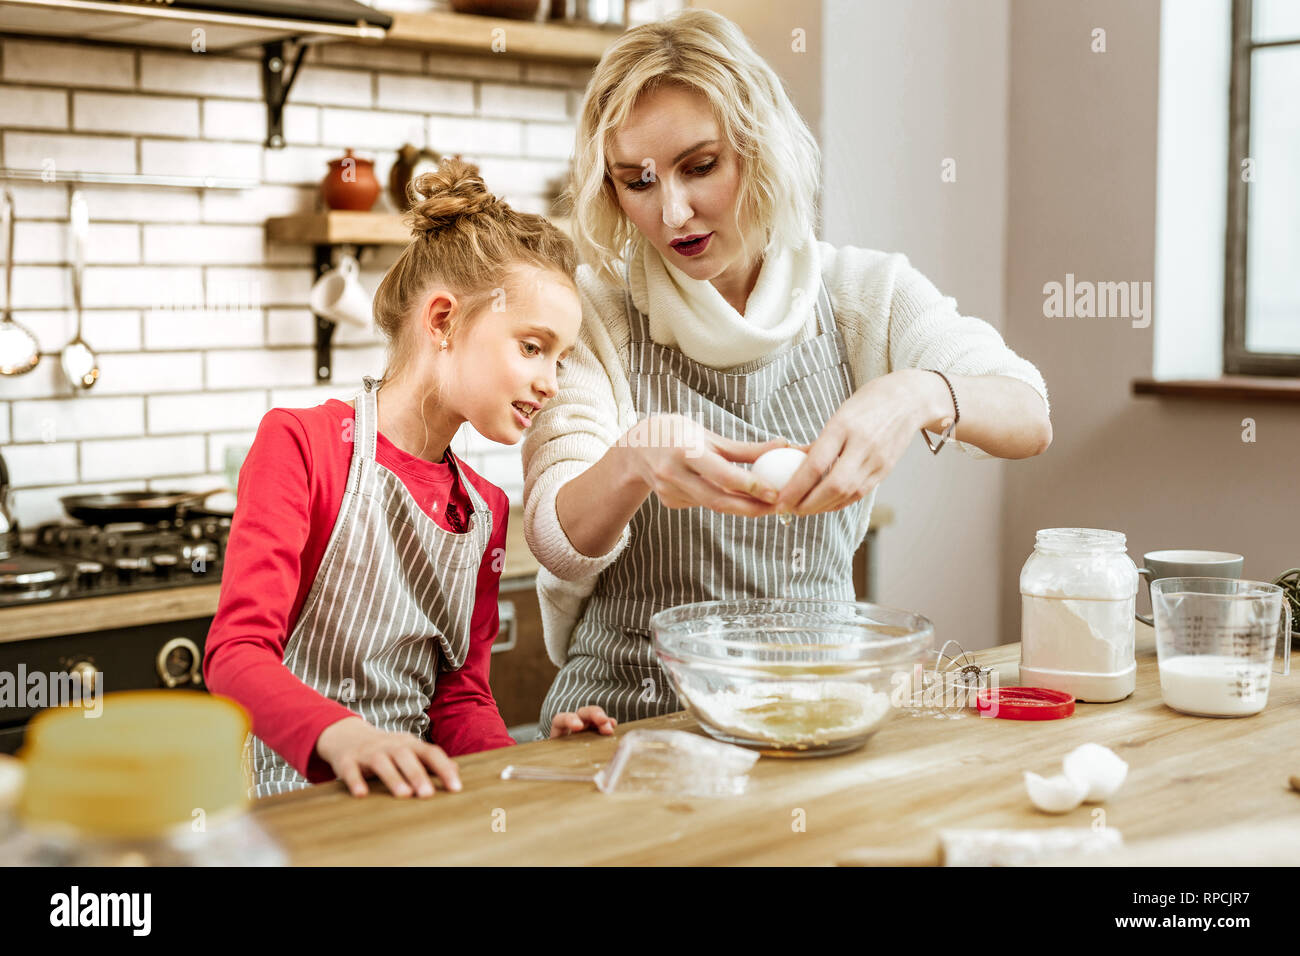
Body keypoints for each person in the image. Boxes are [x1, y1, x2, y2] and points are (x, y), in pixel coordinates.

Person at [522, 10, 1053, 735]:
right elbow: (555, 537)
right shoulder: (597, 311)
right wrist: (632, 463)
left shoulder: (862, 295)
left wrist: (916, 393)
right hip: (629, 718)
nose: (672, 210)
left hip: (815, 708)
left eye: (699, 167)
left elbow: (1029, 415)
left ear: (759, 149)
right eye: (636, 181)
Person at [205, 159, 616, 800]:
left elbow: (460, 700)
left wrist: (525, 766)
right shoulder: (301, 445)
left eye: (560, 358)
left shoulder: (485, 508)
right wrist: (346, 738)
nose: (551, 383)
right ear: (443, 320)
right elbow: (235, 655)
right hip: (297, 809)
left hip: (417, 810)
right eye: (533, 348)